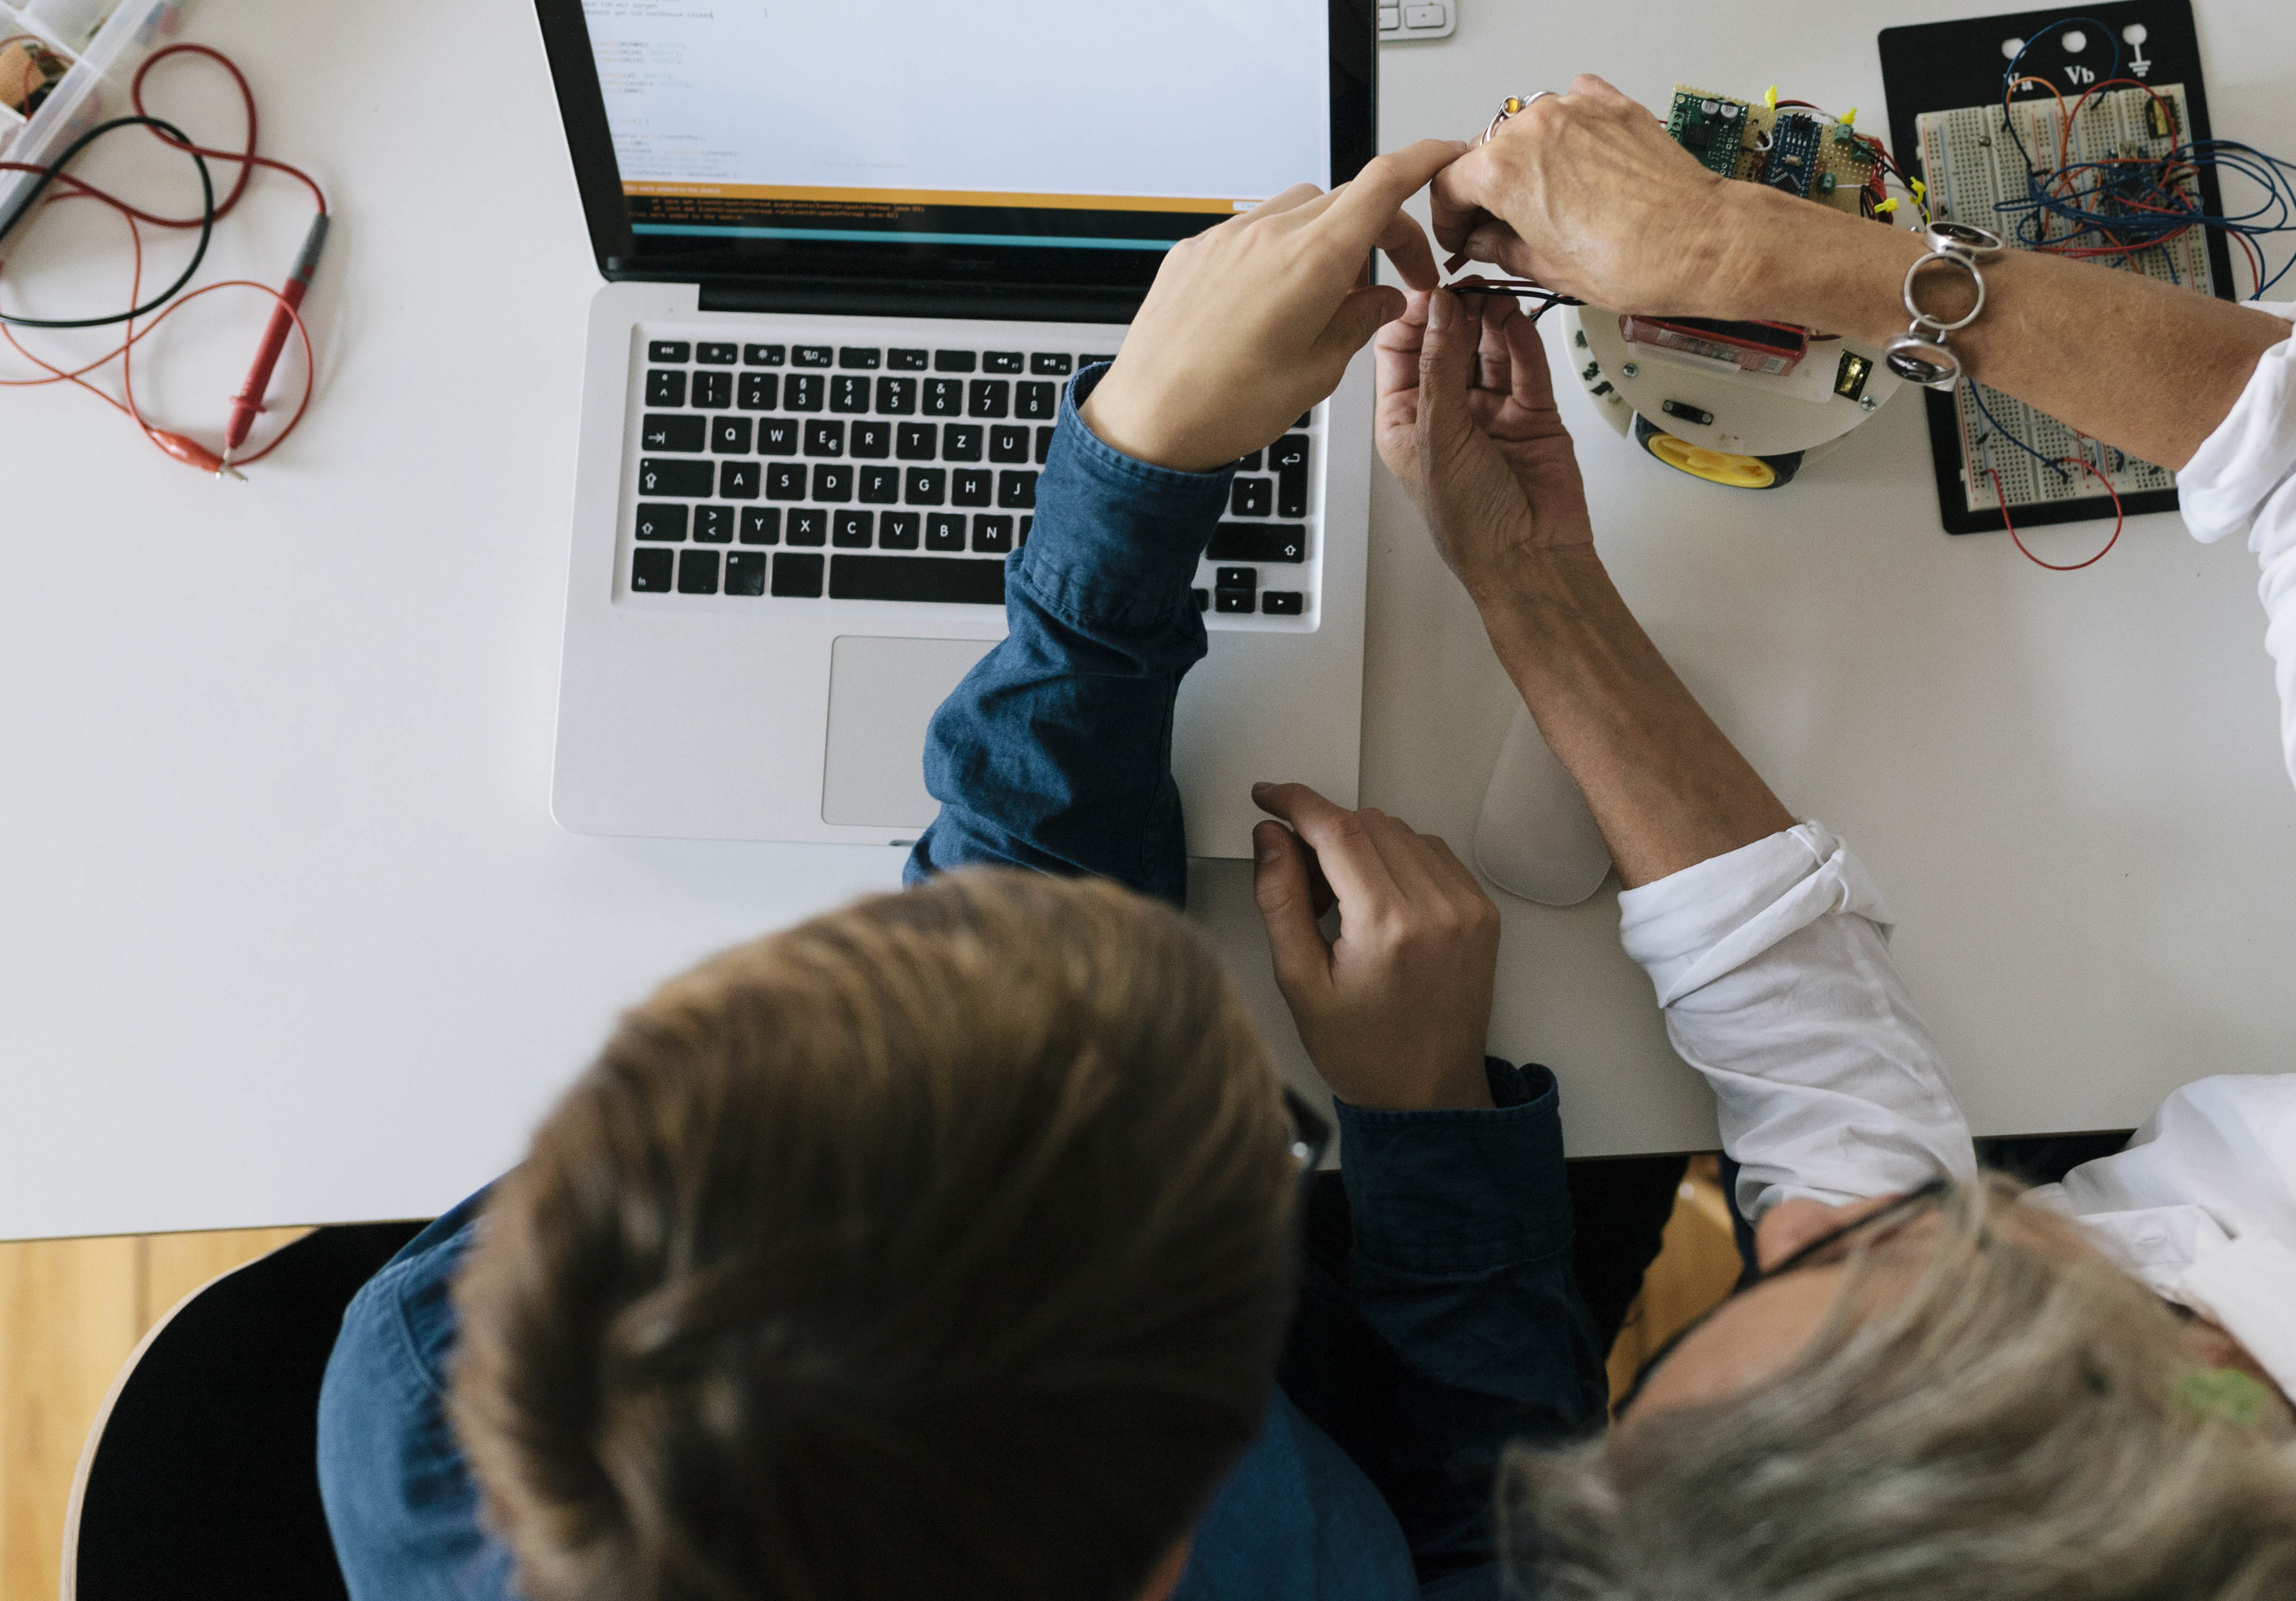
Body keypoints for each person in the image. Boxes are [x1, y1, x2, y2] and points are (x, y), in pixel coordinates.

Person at [1362, 76, 2296, 1600]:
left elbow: (1831, 1115)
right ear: (2193, 1366)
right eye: (1903, 1260)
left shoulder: (2104, 1479)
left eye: (1784, 1262)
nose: (1807, 1202)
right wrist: (1751, 252)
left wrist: (1527, 576)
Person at [315, 143, 1621, 1601]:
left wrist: (1141, 466)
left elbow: (989, 974)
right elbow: (1503, 1572)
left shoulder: (432, 1380)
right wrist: (1429, 1127)